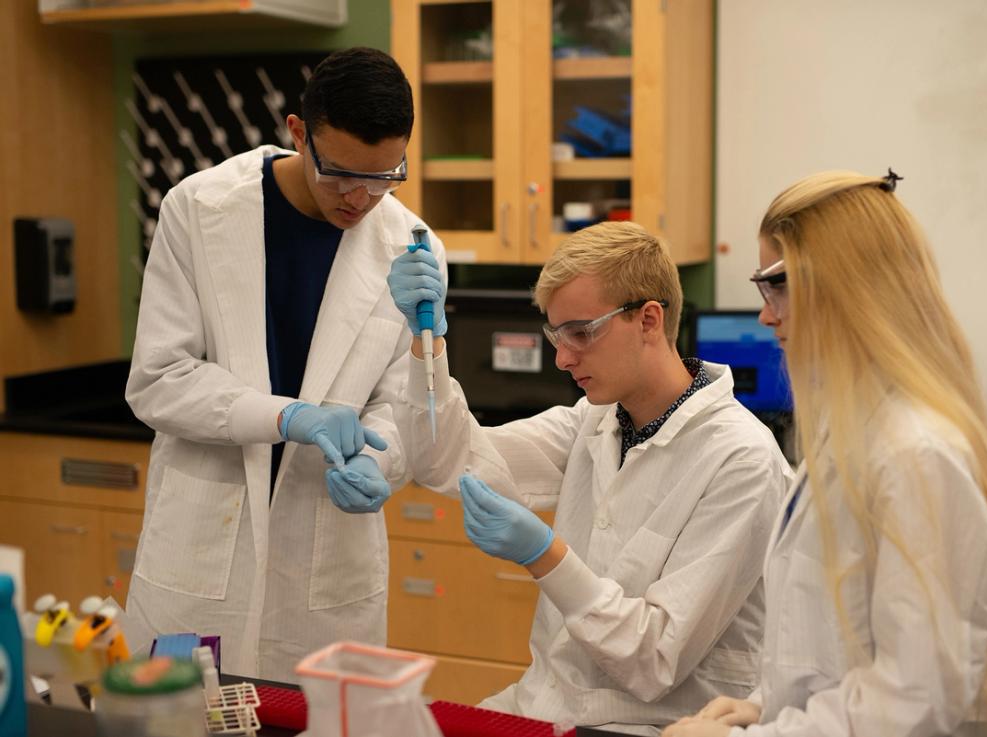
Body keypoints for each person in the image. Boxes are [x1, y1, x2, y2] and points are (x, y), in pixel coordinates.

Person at [661, 170, 987, 737]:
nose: (764, 313)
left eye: (776, 284)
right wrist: (765, 705)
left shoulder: (916, 453)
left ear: (844, 283)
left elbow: (916, 704)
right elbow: (839, 646)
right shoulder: (856, 434)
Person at [388, 221, 792, 735]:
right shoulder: (594, 421)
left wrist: (545, 556)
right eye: (555, 335)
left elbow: (653, 661)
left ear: (648, 320)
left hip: (652, 725)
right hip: (544, 706)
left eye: (581, 333)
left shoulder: (741, 461)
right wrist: (427, 340)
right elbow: (444, 460)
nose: (562, 357)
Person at [125, 47, 447, 681]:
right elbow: (160, 380)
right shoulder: (199, 208)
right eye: (342, 174)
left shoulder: (412, 246)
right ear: (298, 133)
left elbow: (408, 402)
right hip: (201, 546)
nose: (362, 198)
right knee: (180, 722)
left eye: (386, 175)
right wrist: (289, 417)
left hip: (325, 564)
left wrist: (379, 460)